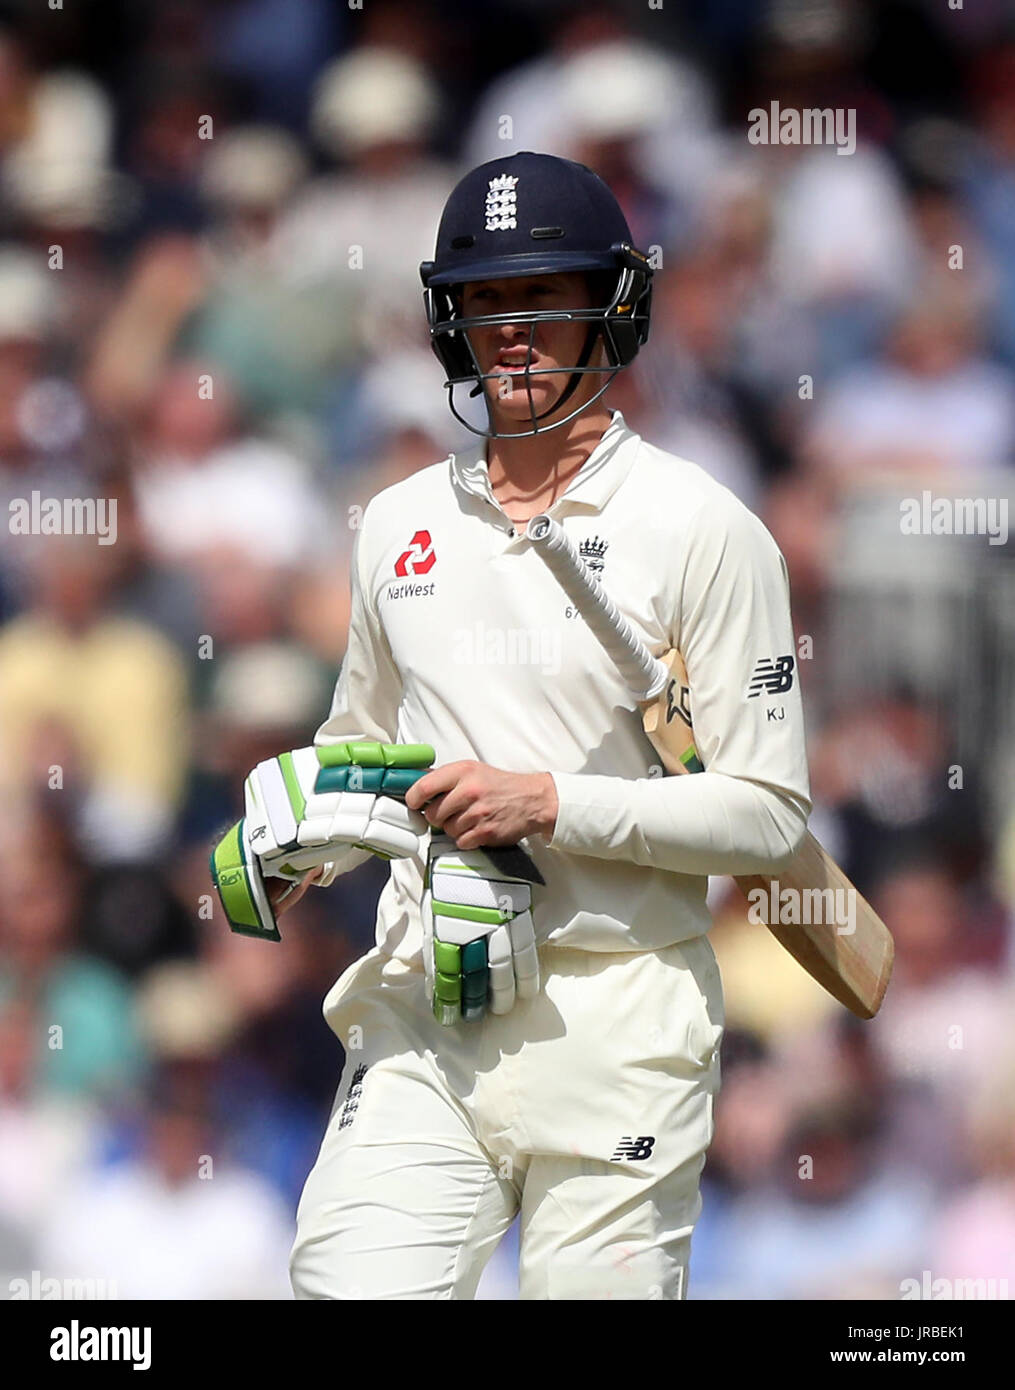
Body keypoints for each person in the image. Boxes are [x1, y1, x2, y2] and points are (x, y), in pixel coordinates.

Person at [211, 151, 811, 1299]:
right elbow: (362, 741)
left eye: (545, 297)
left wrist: (546, 800)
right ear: (449, 325)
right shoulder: (396, 523)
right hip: (428, 1006)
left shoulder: (703, 529)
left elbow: (769, 818)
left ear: (610, 310)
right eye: (486, 303)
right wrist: (306, 841)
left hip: (622, 1019)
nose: (514, 333)